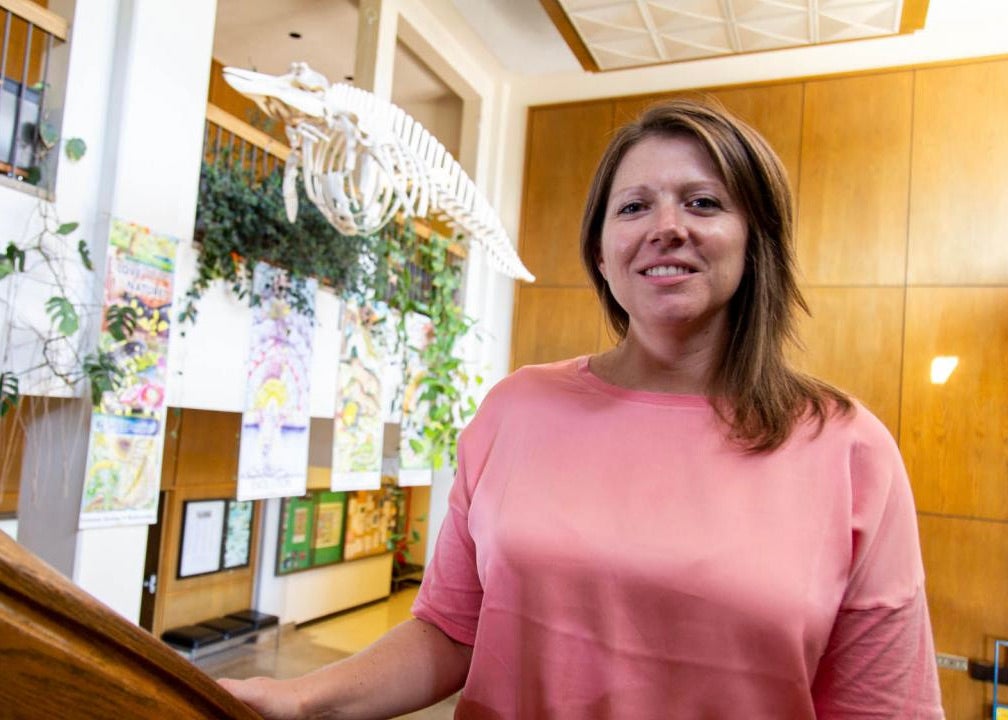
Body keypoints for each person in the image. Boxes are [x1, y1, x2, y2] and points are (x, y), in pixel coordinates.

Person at [221, 99, 944, 719]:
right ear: (601, 252)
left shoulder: (848, 449)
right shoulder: (515, 410)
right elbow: (452, 631)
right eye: (633, 207)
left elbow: (881, 708)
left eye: (703, 202)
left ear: (757, 241)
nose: (666, 227)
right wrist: (299, 698)